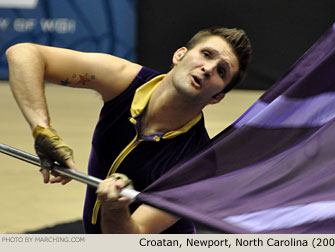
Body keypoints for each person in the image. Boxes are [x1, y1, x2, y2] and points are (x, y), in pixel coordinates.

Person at [6, 27, 252, 233]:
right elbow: (23, 54)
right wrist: (42, 131)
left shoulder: (198, 164)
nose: (208, 68)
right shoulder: (123, 80)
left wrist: (115, 207)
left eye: (221, 71)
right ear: (180, 55)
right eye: (206, 54)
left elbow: (131, 239)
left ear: (217, 98)